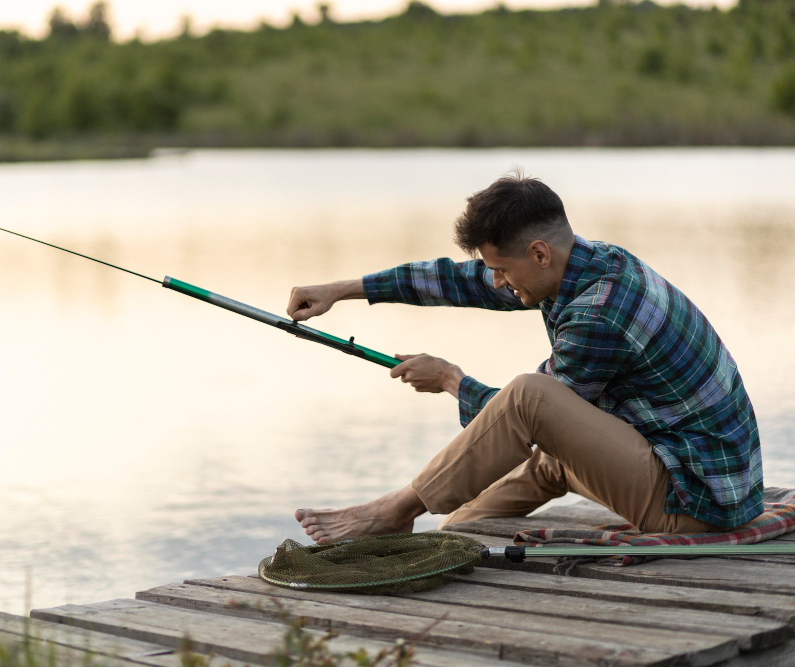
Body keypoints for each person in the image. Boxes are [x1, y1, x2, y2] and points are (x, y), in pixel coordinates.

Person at [287, 170, 763, 544]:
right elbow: (458, 280)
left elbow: (529, 414)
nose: (494, 281)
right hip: (683, 471)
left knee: (530, 395)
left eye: (500, 269)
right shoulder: (581, 262)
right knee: (528, 473)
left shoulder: (600, 313)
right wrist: (343, 290)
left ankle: (392, 511)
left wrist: (452, 379)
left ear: (537, 253)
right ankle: (445, 534)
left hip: (696, 503)